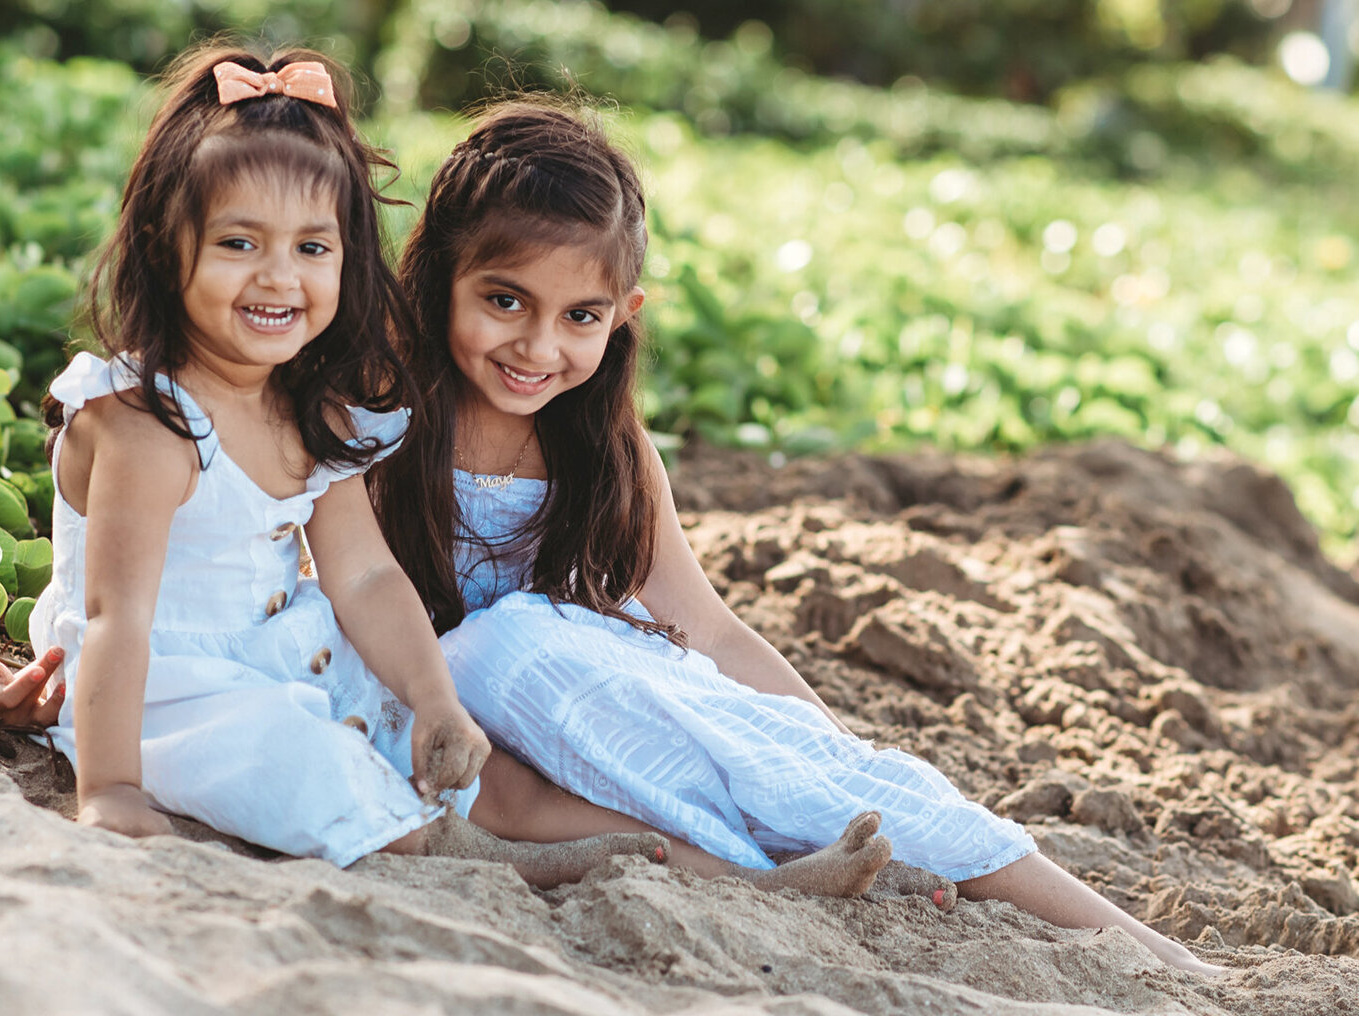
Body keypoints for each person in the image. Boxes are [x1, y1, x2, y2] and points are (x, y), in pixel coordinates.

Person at [0, 43, 894, 897]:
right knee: (317, 768)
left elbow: (366, 575)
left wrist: (433, 699)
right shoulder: (145, 423)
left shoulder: (312, 414)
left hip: (295, 654)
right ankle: (483, 858)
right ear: (168, 249)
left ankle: (740, 878)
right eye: (238, 243)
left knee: (491, 778)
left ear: (350, 259)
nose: (278, 278)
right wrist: (111, 788)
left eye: (312, 249)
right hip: (179, 692)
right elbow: (115, 619)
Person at [360, 99, 1221, 974]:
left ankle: (1160, 955)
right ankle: (751, 875)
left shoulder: (602, 446)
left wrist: (826, 750)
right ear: (439, 279)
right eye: (504, 301)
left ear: (623, 313)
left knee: (807, 766)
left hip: (590, 707)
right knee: (501, 654)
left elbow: (711, 628)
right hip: (450, 731)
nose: (538, 346)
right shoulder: (383, 420)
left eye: (580, 316)